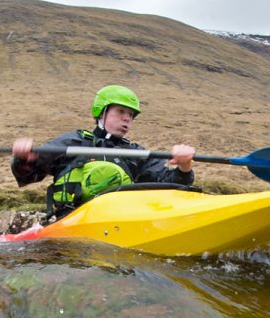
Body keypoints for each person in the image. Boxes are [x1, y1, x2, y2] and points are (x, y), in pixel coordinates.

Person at [11, 84, 196, 219]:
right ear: (101, 113)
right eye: (120, 111)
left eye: (131, 115)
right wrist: (23, 158)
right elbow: (28, 175)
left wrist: (184, 165)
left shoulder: (136, 153)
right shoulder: (73, 142)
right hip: (70, 220)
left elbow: (172, 185)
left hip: (122, 220)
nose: (127, 119)